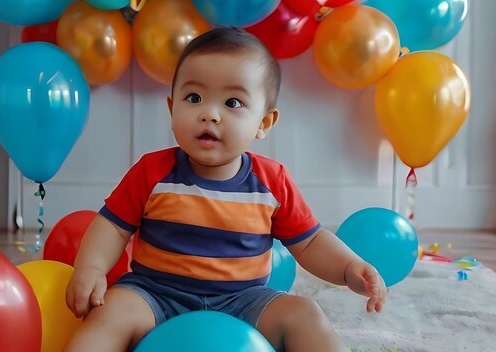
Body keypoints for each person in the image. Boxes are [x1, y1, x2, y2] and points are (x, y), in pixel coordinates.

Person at [64, 27, 386, 352]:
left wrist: (348, 268)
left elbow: (311, 242)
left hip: (244, 302)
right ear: (171, 107)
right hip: (155, 294)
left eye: (232, 102)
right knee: (111, 312)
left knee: (305, 314)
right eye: (194, 98)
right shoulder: (152, 171)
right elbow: (112, 226)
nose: (209, 114)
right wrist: (91, 268)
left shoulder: (271, 182)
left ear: (264, 123)